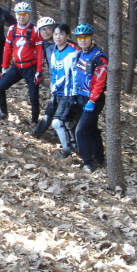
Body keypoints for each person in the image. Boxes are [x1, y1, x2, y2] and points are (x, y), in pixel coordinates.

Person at [0, 2, 43, 123]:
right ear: (16, 15)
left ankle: (34, 122)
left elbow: (40, 51)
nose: (22, 16)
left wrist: (39, 71)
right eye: (19, 14)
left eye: (25, 14)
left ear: (29, 15)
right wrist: (4, 67)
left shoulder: (35, 30)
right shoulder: (12, 29)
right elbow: (7, 49)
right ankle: (3, 113)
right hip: (16, 67)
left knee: (33, 97)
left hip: (30, 68)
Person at [71, 23, 108, 172]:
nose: (83, 40)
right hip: (80, 96)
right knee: (91, 129)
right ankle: (99, 157)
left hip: (93, 100)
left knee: (80, 131)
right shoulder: (80, 54)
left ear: (92, 37)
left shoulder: (99, 57)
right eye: (80, 37)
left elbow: (100, 81)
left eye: (85, 37)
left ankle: (87, 162)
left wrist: (92, 100)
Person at [48, 23, 80, 158]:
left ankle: (67, 150)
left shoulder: (73, 53)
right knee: (68, 121)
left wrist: (73, 94)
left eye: (61, 34)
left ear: (67, 36)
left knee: (56, 122)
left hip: (69, 94)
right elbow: (54, 74)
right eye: (55, 34)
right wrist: (53, 92)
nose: (58, 37)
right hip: (58, 93)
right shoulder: (54, 53)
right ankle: (74, 146)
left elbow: (75, 75)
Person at [31, 16, 57, 136]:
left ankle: (39, 130)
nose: (45, 32)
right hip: (54, 79)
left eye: (47, 28)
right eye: (42, 30)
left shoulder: (63, 43)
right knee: (54, 105)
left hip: (67, 81)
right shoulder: (44, 44)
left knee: (54, 106)